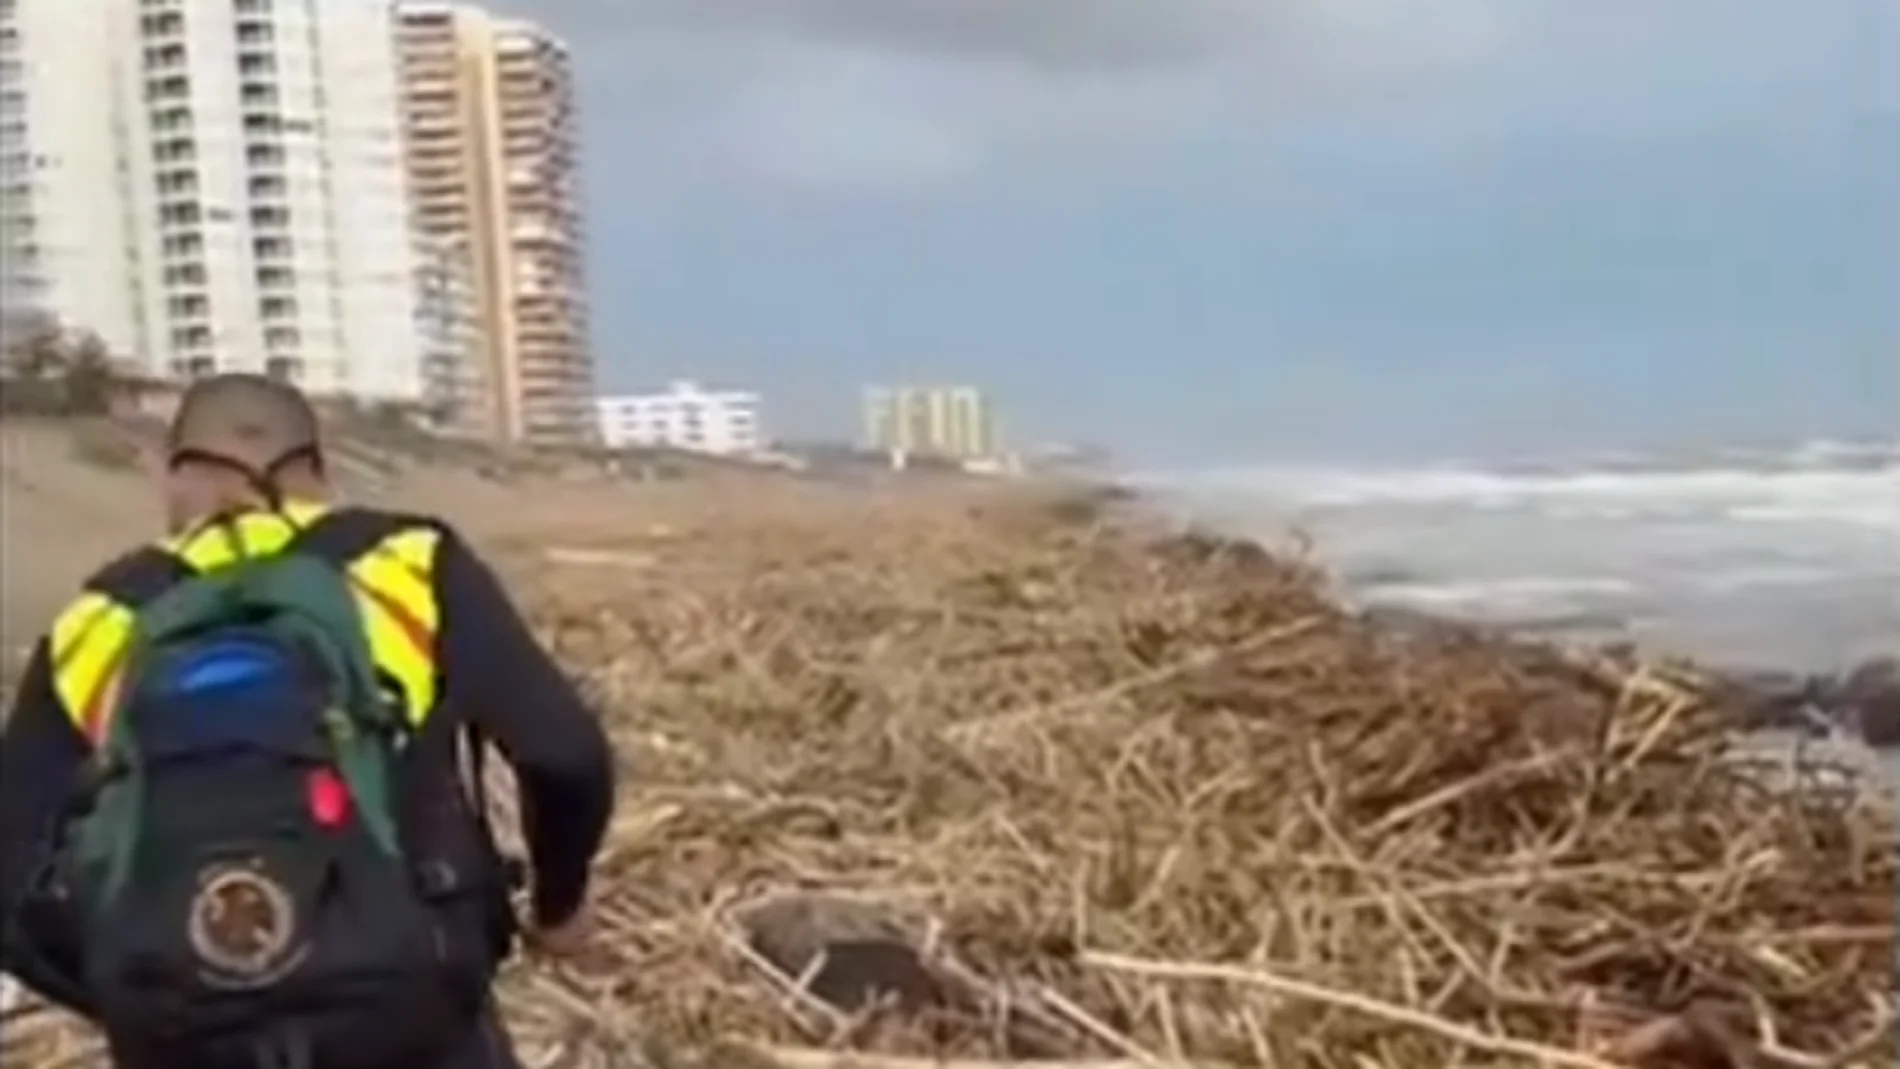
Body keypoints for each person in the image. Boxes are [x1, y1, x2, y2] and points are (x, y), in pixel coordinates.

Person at [0, 373, 616, 1068]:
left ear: (174, 476)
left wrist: (130, 984)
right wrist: (557, 907)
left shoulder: (98, 619)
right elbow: (565, 754)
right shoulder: (405, 562)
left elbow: (10, 877)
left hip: (182, 1031)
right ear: (318, 474)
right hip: (412, 1004)